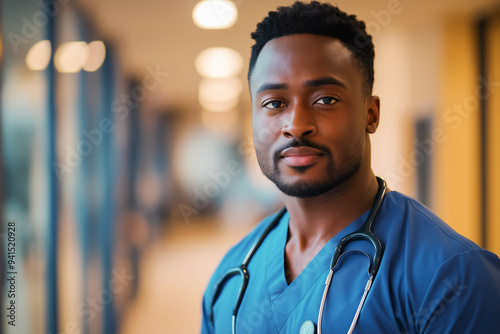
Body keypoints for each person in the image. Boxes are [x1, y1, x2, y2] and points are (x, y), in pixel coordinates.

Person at [201, 1, 500, 333]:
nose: (296, 125)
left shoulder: (452, 278)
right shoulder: (230, 277)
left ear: (370, 114)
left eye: (325, 100)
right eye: (274, 103)